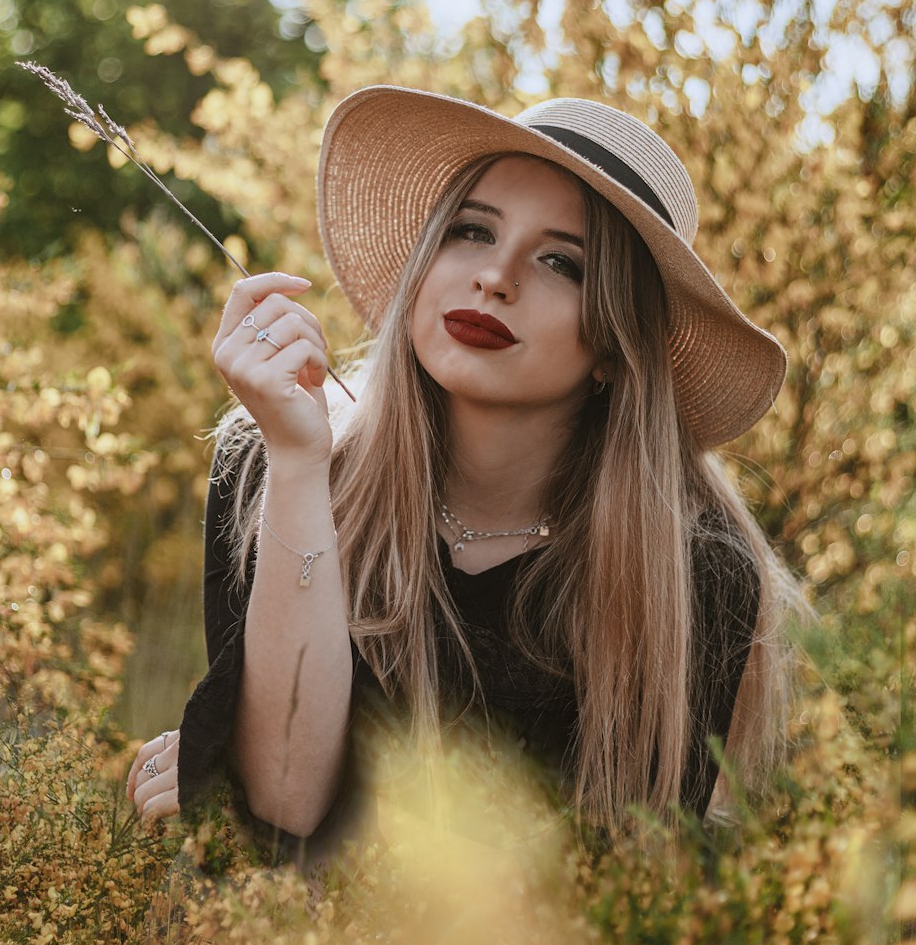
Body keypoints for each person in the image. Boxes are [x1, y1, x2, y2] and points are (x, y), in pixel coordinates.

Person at [127, 87, 804, 861]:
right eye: (472, 231)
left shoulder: (690, 569)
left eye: (561, 262)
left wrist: (220, 766)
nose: (495, 277)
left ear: (617, 346)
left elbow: (598, 893)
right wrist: (298, 465)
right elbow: (285, 802)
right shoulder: (269, 461)